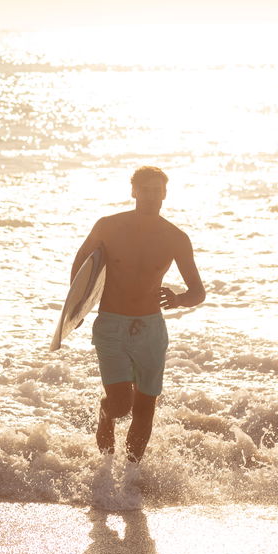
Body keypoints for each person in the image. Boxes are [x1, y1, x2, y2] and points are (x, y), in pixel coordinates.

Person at [71, 166, 206, 462]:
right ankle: (105, 415)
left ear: (165, 194)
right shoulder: (108, 226)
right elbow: (82, 262)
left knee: (145, 410)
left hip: (150, 330)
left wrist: (179, 299)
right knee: (121, 405)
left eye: (157, 190)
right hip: (111, 325)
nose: (151, 196)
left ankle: (130, 477)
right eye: (145, 190)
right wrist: (76, 307)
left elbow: (198, 291)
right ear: (133, 191)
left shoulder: (176, 238)